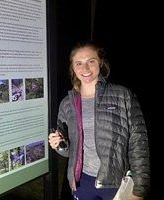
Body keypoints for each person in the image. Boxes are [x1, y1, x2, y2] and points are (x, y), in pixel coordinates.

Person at [48, 41, 150, 200]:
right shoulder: (67, 103)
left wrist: (140, 188)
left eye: (91, 61)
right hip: (81, 181)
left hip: (116, 183)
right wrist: (59, 145)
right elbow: (68, 150)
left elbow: (139, 143)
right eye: (79, 63)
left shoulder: (122, 95)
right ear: (73, 68)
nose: (85, 68)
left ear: (101, 62)